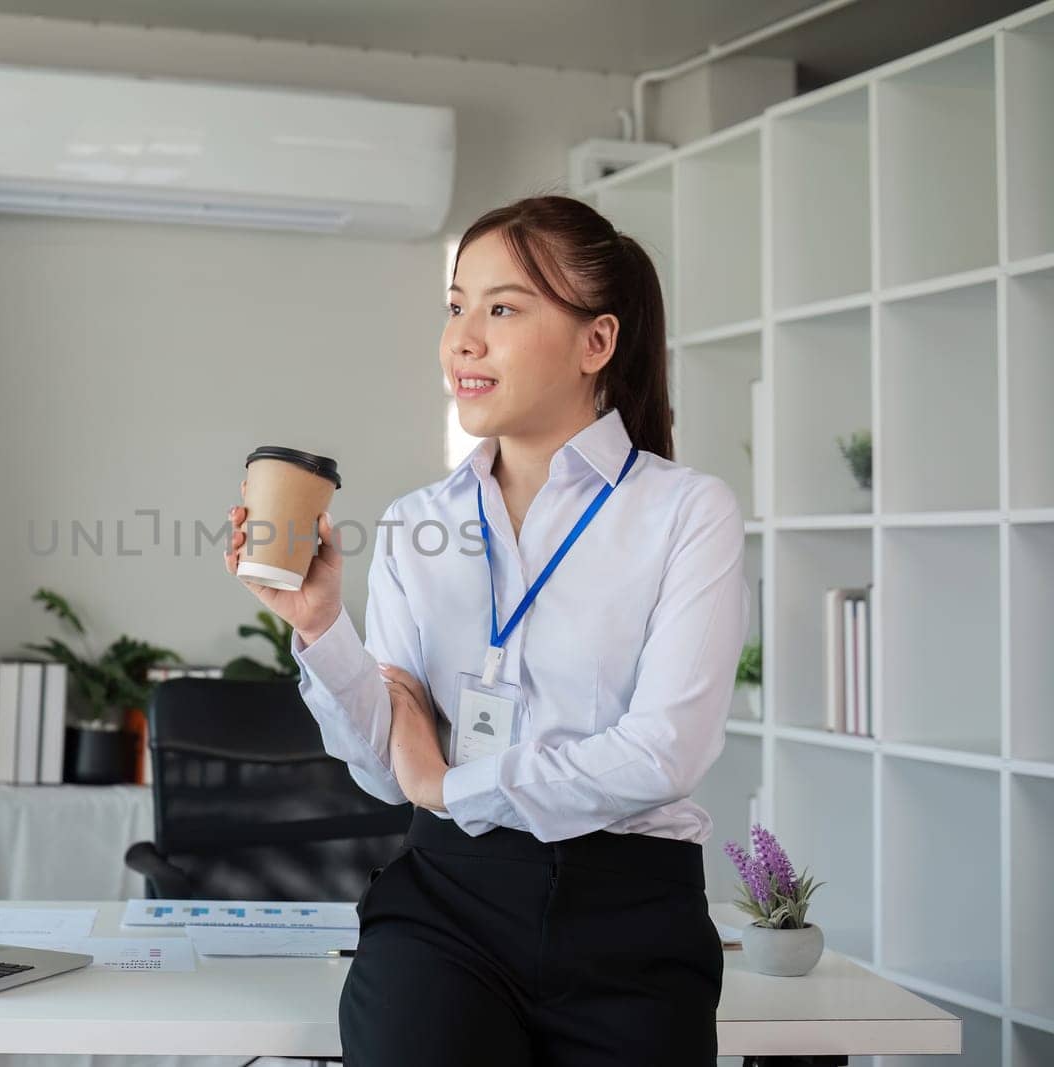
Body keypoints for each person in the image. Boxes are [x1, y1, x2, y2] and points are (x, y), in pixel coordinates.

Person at [223, 195, 749, 1064]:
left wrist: (449, 786)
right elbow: (386, 772)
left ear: (597, 342)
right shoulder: (414, 523)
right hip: (448, 905)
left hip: (630, 920)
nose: (462, 337)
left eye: (502, 308)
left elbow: (664, 752)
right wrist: (320, 627)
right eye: (456, 304)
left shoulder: (687, 512)